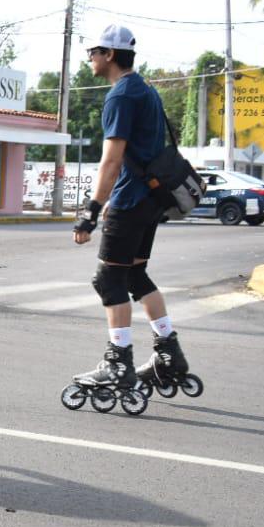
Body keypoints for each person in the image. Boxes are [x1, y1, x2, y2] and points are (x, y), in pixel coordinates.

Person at [70, 24, 187, 398]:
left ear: (108, 55)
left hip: (130, 200)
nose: (89, 58)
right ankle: (169, 355)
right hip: (152, 200)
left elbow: (112, 158)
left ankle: (118, 363)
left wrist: (92, 209)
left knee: (109, 281)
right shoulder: (146, 90)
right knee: (135, 277)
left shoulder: (120, 96)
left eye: (92, 51)